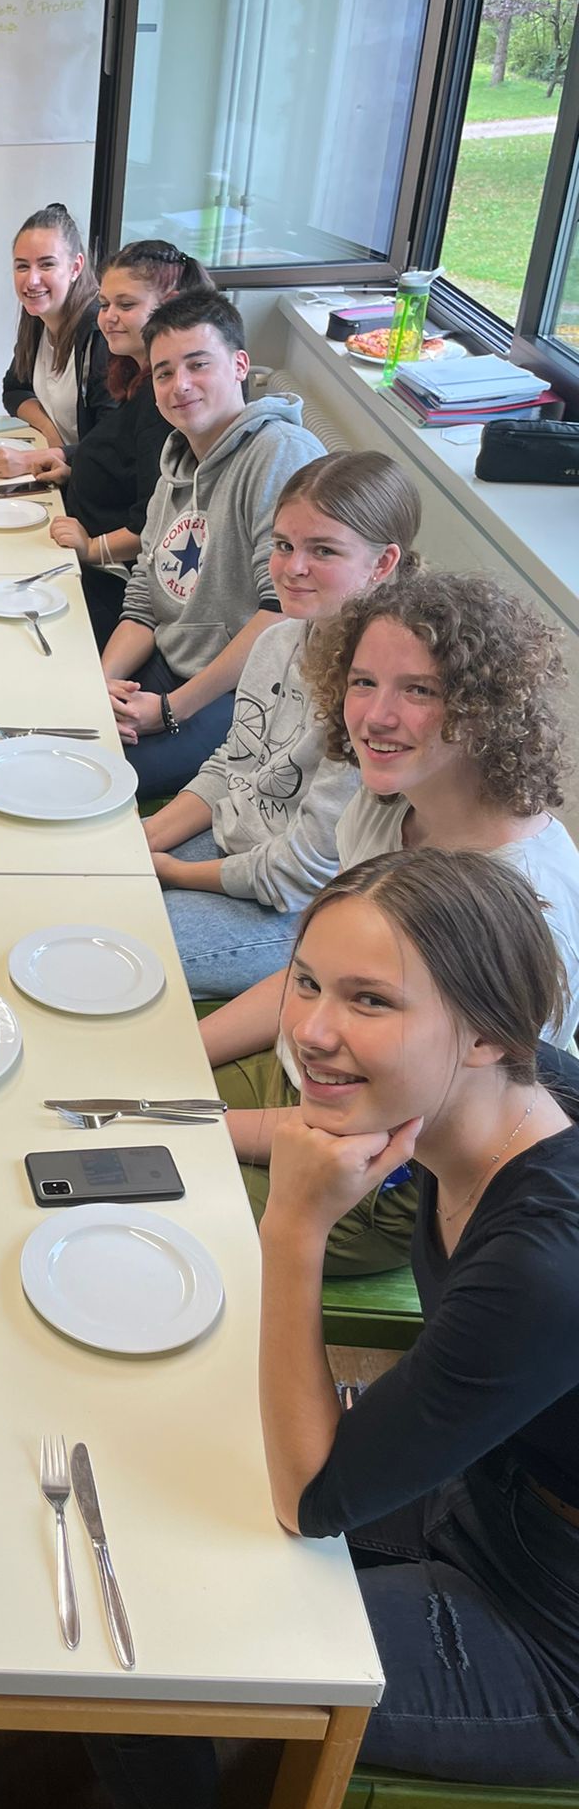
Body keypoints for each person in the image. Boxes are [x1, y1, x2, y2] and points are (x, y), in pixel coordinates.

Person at [0, 849, 579, 1809]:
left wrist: (297, 1223)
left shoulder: (542, 1260)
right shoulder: (508, 1104)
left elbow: (310, 1495)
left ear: (493, 1033)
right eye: (308, 980)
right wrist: (148, 1118)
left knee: (145, 1641)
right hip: (484, 1481)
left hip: (550, 1621)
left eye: (370, 999)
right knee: (141, 1473)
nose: (311, 1028)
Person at [202, 568, 579, 1274]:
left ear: (483, 708)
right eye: (363, 682)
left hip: (392, 1170)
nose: (374, 716)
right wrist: (183, 1055)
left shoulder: (524, 905)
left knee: (153, 1189)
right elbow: (315, 981)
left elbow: (425, 1122)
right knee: (130, 1092)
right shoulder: (385, 808)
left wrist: (205, 1130)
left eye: (420, 691)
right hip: (321, 1081)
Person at [145, 452, 419, 997]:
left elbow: (302, 875)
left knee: (135, 941)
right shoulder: (276, 640)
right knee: (91, 887)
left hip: (304, 909)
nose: (293, 567)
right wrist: (143, 839)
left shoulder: (375, 695)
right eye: (284, 545)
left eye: (323, 551)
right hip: (241, 853)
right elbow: (232, 766)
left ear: (382, 563)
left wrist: (173, 874)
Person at [101, 288, 324, 794]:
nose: (180, 385)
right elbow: (144, 597)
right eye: (163, 373)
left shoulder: (279, 454)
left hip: (245, 691)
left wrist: (170, 710)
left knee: (106, 776)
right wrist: (98, 686)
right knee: (63, 729)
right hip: (171, 665)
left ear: (240, 364)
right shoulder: (177, 462)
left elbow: (282, 613)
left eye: (197, 365)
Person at [0, 241, 214, 650]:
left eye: (125, 305)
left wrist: (92, 549)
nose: (106, 318)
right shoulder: (134, 373)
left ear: (170, 307)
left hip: (109, 581)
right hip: (77, 539)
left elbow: (153, 523)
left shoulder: (164, 401)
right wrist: (70, 461)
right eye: (105, 304)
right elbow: (124, 460)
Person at [0, 203, 111, 456]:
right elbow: (15, 389)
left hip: (86, 483)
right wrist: (49, 431)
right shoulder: (37, 318)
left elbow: (110, 445)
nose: (31, 280)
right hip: (59, 466)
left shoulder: (99, 333)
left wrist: (55, 454)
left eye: (46, 265)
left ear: (75, 267)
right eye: (22, 266)